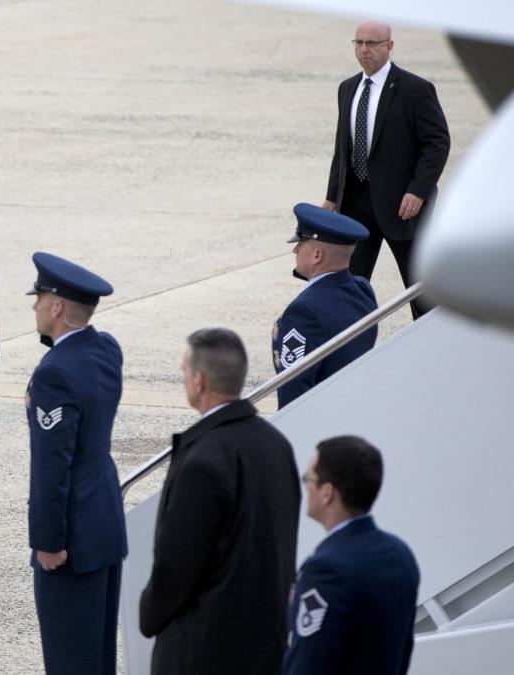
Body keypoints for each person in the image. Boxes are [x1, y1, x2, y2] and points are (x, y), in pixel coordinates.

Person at [139, 328, 300, 674]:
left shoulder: (203, 460)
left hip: (204, 650)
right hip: (265, 647)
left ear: (199, 381)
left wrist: (149, 614)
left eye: (184, 371)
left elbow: (177, 564)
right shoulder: (276, 445)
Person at [25, 252, 127, 675]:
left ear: (57, 307)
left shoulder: (55, 374)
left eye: (39, 299)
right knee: (98, 658)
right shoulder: (105, 351)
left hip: (72, 540)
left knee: (70, 661)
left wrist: (48, 540)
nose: (34, 308)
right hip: (104, 525)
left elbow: (53, 467)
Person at [323, 20, 450, 319]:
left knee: (420, 290)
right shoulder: (348, 88)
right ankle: (350, 349)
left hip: (403, 207)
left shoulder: (415, 89)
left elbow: (437, 143)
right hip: (356, 205)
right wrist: (331, 196)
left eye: (372, 43)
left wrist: (417, 191)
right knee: (349, 286)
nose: (364, 50)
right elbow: (343, 149)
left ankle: (437, 345)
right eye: (359, 43)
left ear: (389, 46)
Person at [284, 435, 420, 674]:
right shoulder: (400, 555)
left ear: (327, 493)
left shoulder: (326, 569)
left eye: (309, 479)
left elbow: (309, 663)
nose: (306, 486)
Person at [273, 203, 378, 409]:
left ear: (317, 255)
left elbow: (293, 388)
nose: (295, 249)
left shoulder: (303, 312)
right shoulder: (362, 290)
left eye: (301, 243)